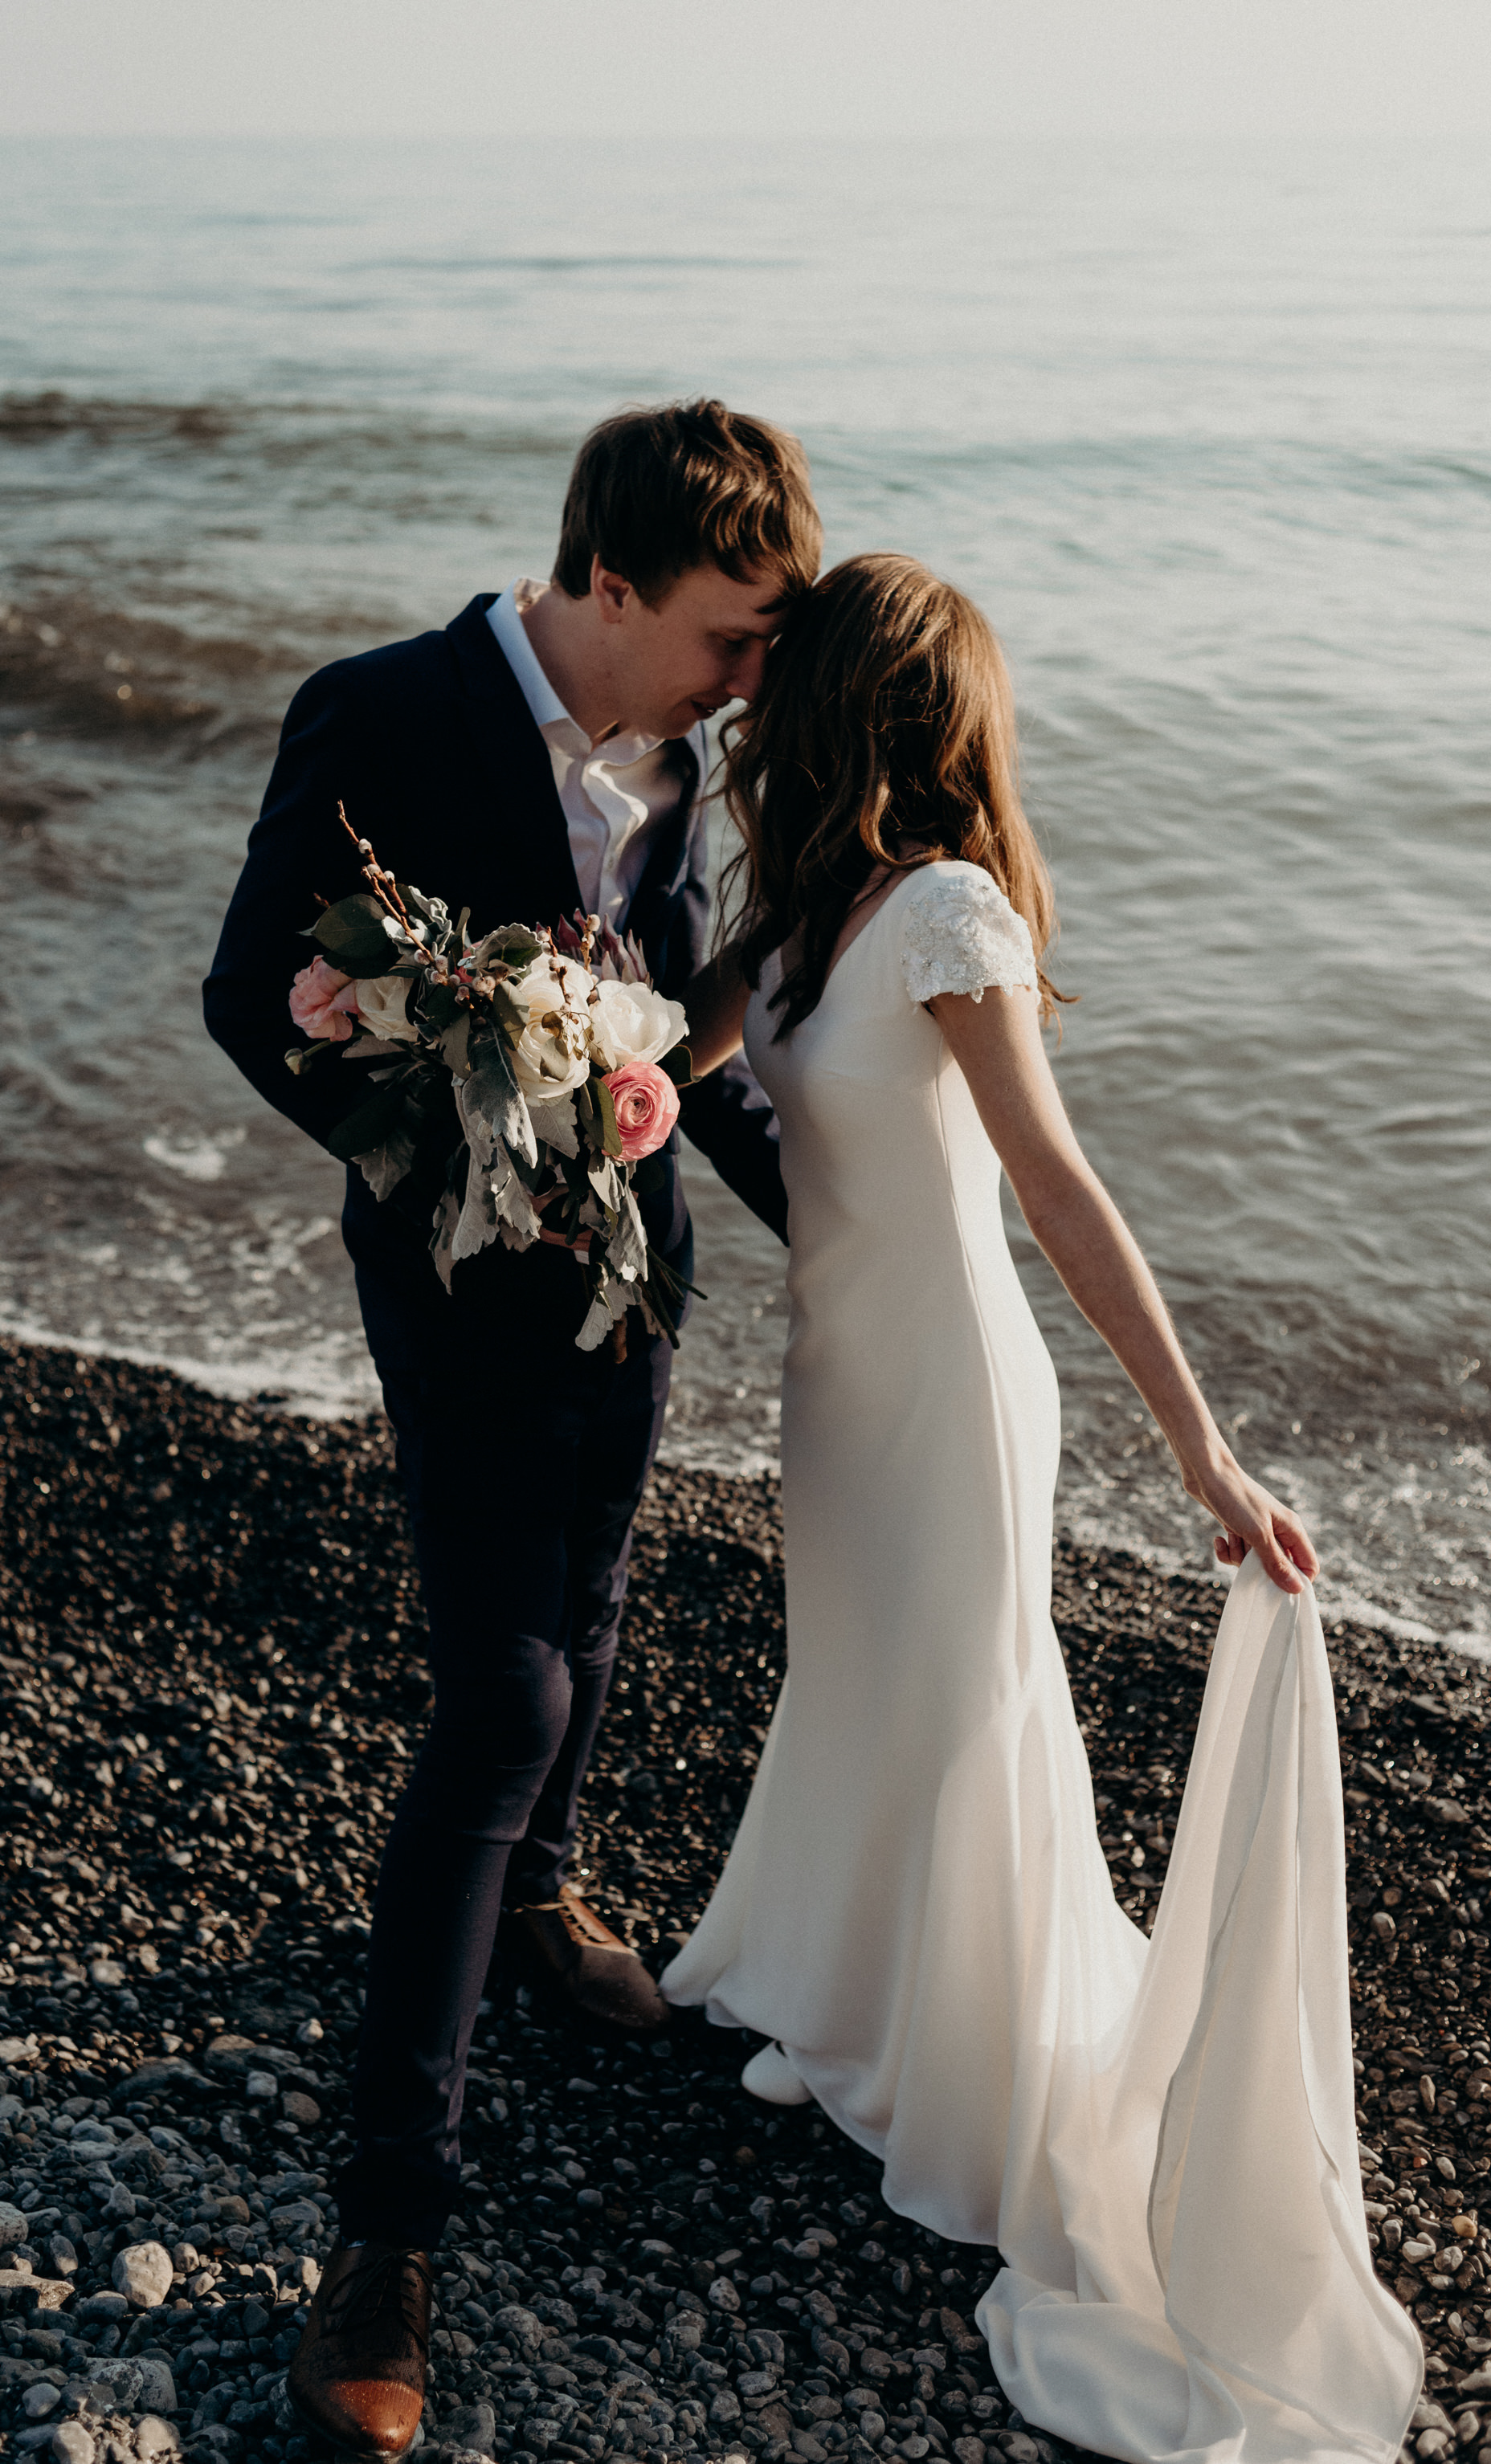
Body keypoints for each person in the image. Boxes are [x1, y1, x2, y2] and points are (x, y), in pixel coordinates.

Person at [664, 554, 1423, 2463]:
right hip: (836, 1393)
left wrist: (1200, 1450)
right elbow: (654, 1071)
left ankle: (970, 2078)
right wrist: (527, 1053)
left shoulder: (946, 912)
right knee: (859, 1697)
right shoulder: (800, 924)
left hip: (955, 1395)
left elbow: (1058, 1191)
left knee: (966, 1712)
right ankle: (854, 2011)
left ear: (836, 708)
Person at [203, 402, 819, 2458]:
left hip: (634, 1271)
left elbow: (673, 1037)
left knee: (605, 1585)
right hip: (456, 1286)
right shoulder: (376, 708)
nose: (758, 672)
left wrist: (851, 1227)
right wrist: (451, 1137)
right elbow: (246, 996)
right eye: (738, 631)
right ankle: (386, 2234)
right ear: (613, 585)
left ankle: (544, 1894)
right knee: (502, 1690)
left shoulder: (697, 758)